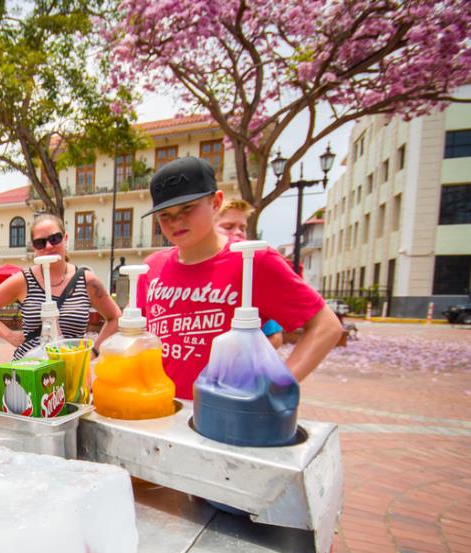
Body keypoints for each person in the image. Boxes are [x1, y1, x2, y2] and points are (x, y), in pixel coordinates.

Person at [138, 157, 342, 400]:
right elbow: (140, 340)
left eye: (187, 208)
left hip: (228, 416)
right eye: (164, 215)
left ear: (216, 202)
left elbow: (326, 326)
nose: (175, 221)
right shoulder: (151, 268)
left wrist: (275, 391)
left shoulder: (252, 260)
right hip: (163, 410)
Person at [0, 213, 121, 359]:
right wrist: (9, 335)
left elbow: (115, 317)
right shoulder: (24, 280)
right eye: (40, 242)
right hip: (32, 371)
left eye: (55, 238)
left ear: (66, 238)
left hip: (72, 371)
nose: (49, 246)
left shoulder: (86, 280)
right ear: (34, 247)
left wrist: (94, 352)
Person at [214, 199, 284, 349]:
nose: (238, 232)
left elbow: (275, 337)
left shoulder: (251, 274)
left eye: (243, 227)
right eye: (228, 226)